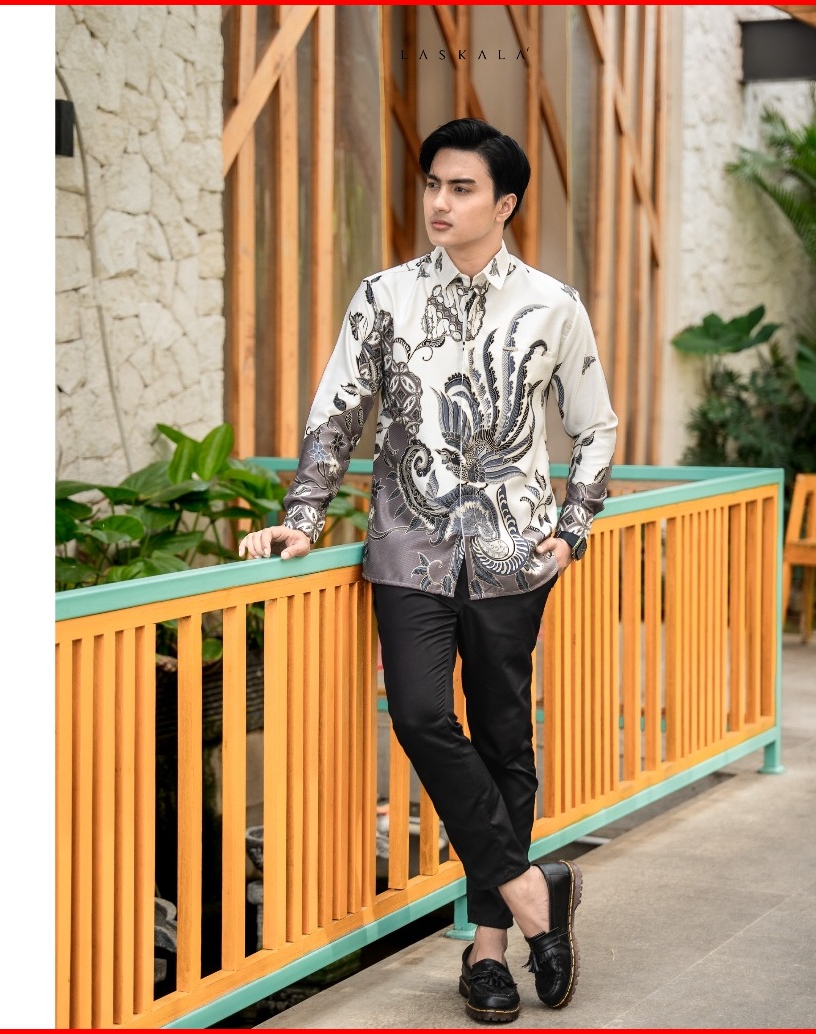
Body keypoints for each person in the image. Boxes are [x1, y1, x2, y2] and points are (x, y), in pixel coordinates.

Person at [239, 117, 617, 1024]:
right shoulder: (384, 297)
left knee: (504, 739)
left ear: (505, 203)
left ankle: (487, 951)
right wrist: (303, 517)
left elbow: (595, 425)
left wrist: (573, 527)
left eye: (462, 188)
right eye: (433, 185)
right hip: (407, 547)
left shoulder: (554, 305)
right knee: (416, 713)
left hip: (513, 555)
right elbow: (337, 413)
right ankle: (532, 892)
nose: (440, 203)